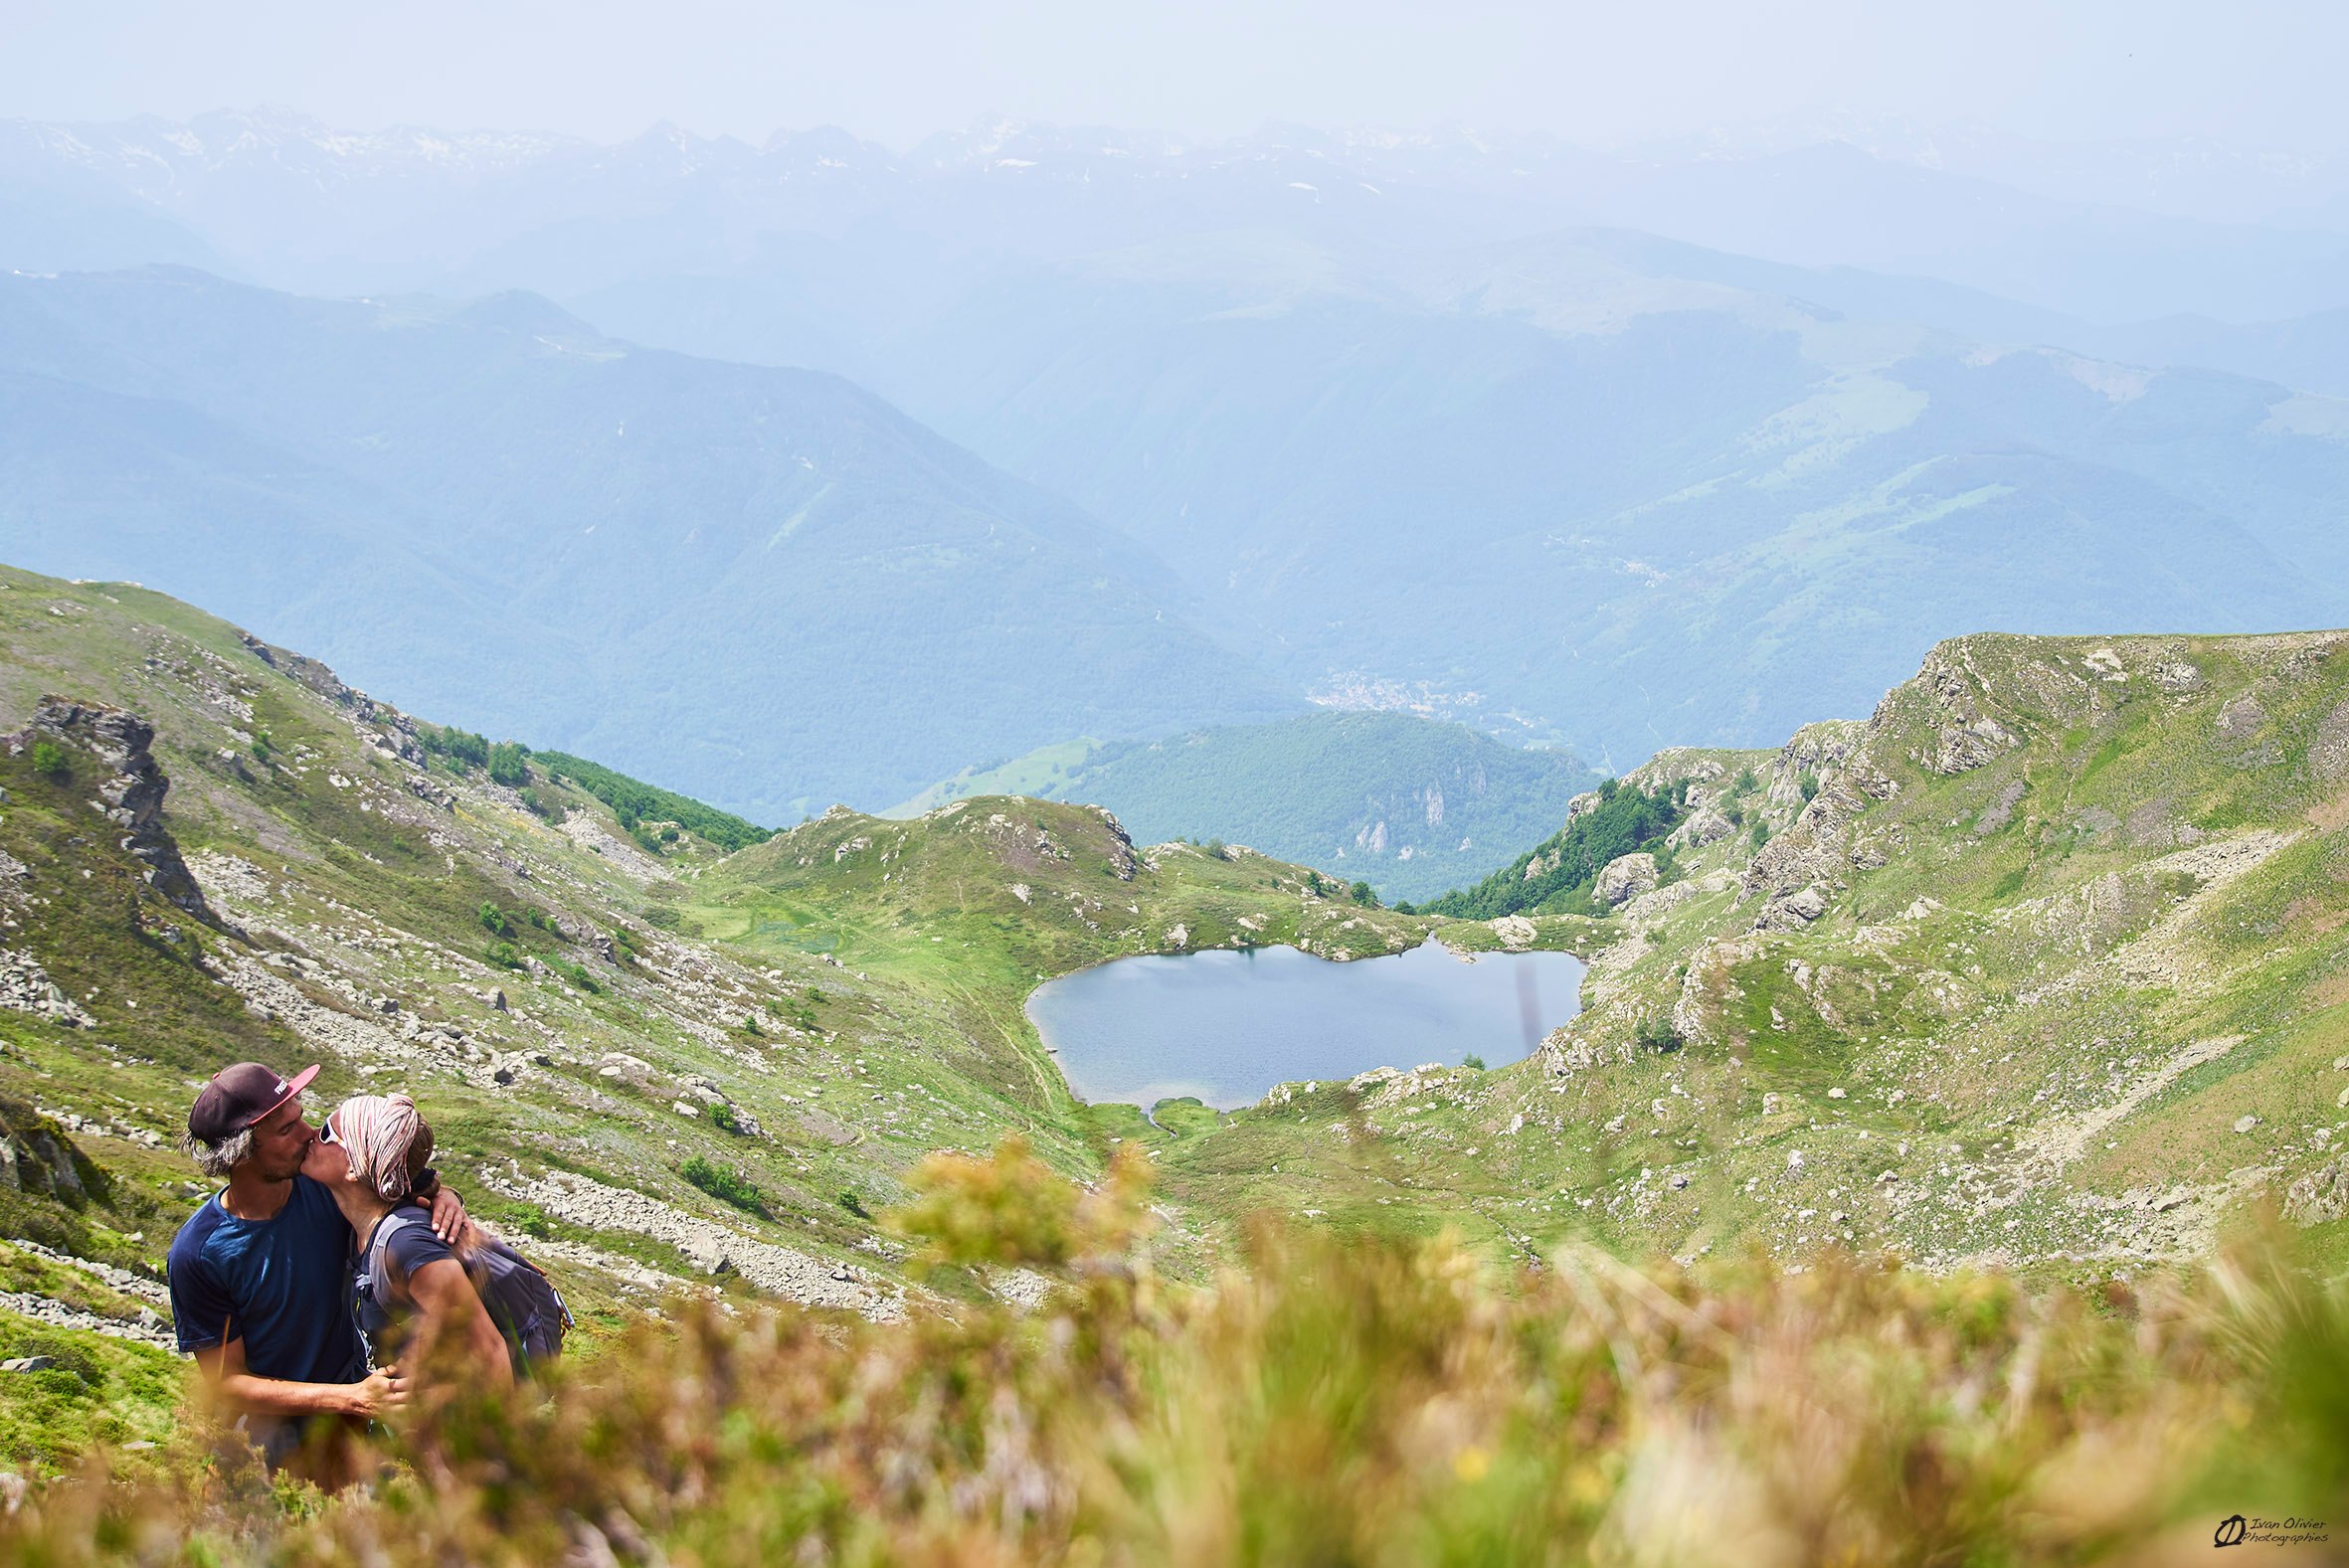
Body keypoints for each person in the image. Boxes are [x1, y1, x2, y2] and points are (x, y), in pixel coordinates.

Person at [166, 1062, 470, 1476]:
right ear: (241, 1152)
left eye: (300, 1117)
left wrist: (444, 1197)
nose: (310, 1133)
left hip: (351, 1421)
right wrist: (348, 1398)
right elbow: (226, 1383)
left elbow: (401, 1185)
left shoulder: (326, 1185)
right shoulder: (199, 1253)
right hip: (266, 1448)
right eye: (287, 1129)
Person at [309, 1094, 512, 1395]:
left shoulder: (406, 1244)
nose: (312, 1135)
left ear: (354, 1168)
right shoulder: (360, 1225)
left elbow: (490, 1352)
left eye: (326, 1133)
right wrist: (446, 1194)